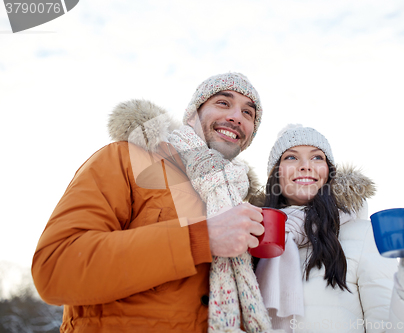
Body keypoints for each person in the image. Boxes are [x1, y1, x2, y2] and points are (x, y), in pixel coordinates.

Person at [31, 72, 275, 332]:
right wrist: (201, 238)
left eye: (248, 113)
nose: (236, 116)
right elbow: (56, 268)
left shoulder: (241, 200)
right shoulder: (126, 159)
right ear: (192, 115)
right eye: (223, 103)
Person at [251, 124, 404, 333]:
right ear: (275, 173)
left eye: (316, 157)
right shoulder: (249, 237)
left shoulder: (364, 235)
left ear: (329, 173)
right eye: (291, 157)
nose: (305, 165)